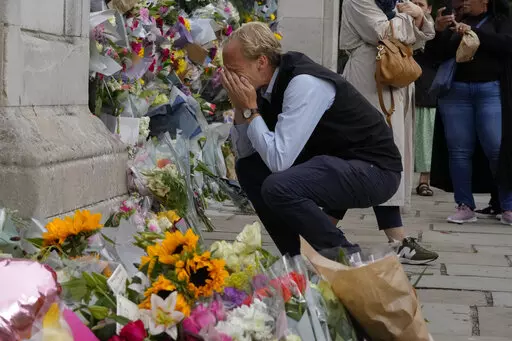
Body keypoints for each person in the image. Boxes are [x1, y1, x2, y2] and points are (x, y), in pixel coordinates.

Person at [220, 22, 404, 257]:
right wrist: (240, 108)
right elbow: (246, 154)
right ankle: (296, 256)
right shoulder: (261, 87)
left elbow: (279, 161)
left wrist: (250, 110)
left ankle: (344, 255)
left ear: (261, 62)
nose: (229, 79)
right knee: (249, 169)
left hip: (375, 170)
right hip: (335, 164)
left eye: (234, 70)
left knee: (278, 186)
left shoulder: (303, 82)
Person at [338, 0, 439, 264]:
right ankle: (316, 229)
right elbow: (384, 32)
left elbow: (420, 38)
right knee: (368, 156)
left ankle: (396, 239)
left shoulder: (392, 1)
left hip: (392, 76)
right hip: (368, 79)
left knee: (377, 158)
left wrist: (415, 17)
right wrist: (411, 16)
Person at [429, 0, 512, 225]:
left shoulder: (500, 20)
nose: (462, 1)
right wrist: (438, 30)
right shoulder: (455, 20)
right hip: (456, 93)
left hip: (490, 90)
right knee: (459, 150)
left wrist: (475, 32)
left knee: (496, 148)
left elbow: (506, 44)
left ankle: (508, 205)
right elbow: (435, 55)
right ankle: (464, 205)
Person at [412, 0, 437, 197]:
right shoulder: (400, 23)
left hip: (427, 89)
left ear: (429, 8)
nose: (416, 6)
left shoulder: (436, 30)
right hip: (403, 86)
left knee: (425, 138)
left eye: (420, 3)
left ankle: (424, 181)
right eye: (412, 2)